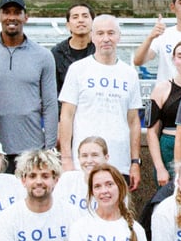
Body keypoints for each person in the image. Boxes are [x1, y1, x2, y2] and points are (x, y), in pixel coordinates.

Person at [58, 14, 143, 188]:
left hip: (120, 161)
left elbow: (134, 121)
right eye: (100, 33)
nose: (106, 39)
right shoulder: (77, 70)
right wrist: (66, 158)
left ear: (119, 36)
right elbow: (66, 116)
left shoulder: (130, 74)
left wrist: (135, 162)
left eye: (111, 33)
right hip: (84, 161)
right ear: (92, 36)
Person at [0, 0, 57, 157]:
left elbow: (50, 105)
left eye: (17, 13)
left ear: (26, 17)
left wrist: (50, 149)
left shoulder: (44, 56)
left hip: (32, 148)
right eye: (6, 12)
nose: (12, 17)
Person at [144, 38, 181, 189]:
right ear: (174, 60)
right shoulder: (160, 89)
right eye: (180, 56)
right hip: (168, 147)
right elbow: (150, 132)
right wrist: (160, 167)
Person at [51, 2, 95, 91]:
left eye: (85, 16)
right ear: (68, 25)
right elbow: (53, 88)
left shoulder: (100, 50)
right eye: (75, 17)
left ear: (93, 22)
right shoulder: (57, 53)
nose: (81, 20)